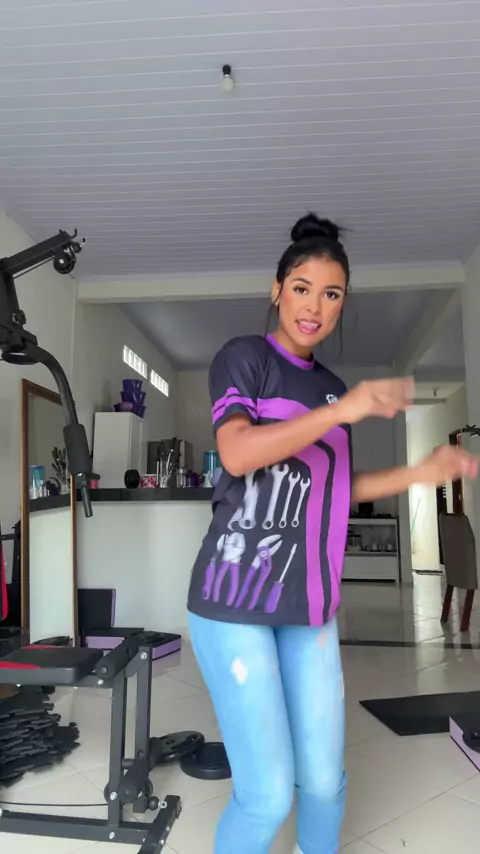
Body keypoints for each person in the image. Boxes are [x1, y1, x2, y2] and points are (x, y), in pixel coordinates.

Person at [187, 214, 478, 854]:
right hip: (232, 601)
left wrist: (421, 473)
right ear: (276, 290)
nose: (314, 307)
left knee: (323, 782)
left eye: (331, 294)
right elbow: (237, 452)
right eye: (301, 288)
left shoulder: (331, 390)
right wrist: (342, 411)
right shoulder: (245, 359)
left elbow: (337, 488)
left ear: (343, 303)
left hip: (310, 602)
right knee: (267, 795)